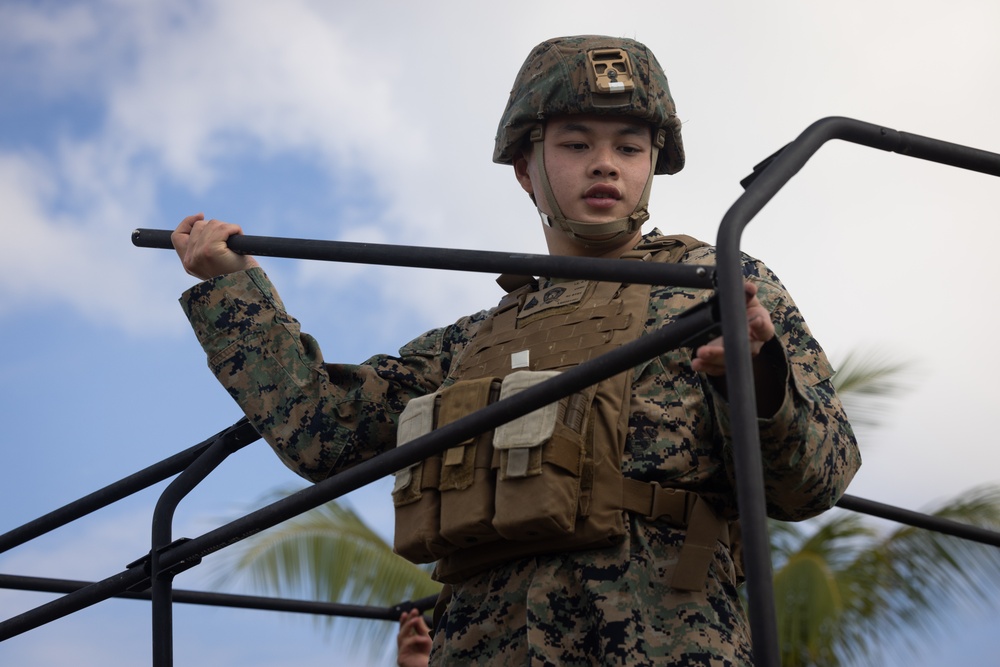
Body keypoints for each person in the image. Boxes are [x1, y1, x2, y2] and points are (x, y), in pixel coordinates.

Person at [172, 35, 860, 665]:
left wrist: (760, 374)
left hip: (660, 643)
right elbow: (323, 431)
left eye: (629, 146)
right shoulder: (472, 343)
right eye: (575, 143)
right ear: (526, 170)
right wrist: (235, 291)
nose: (604, 165)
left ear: (653, 165)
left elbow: (816, 480)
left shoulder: (716, 292)